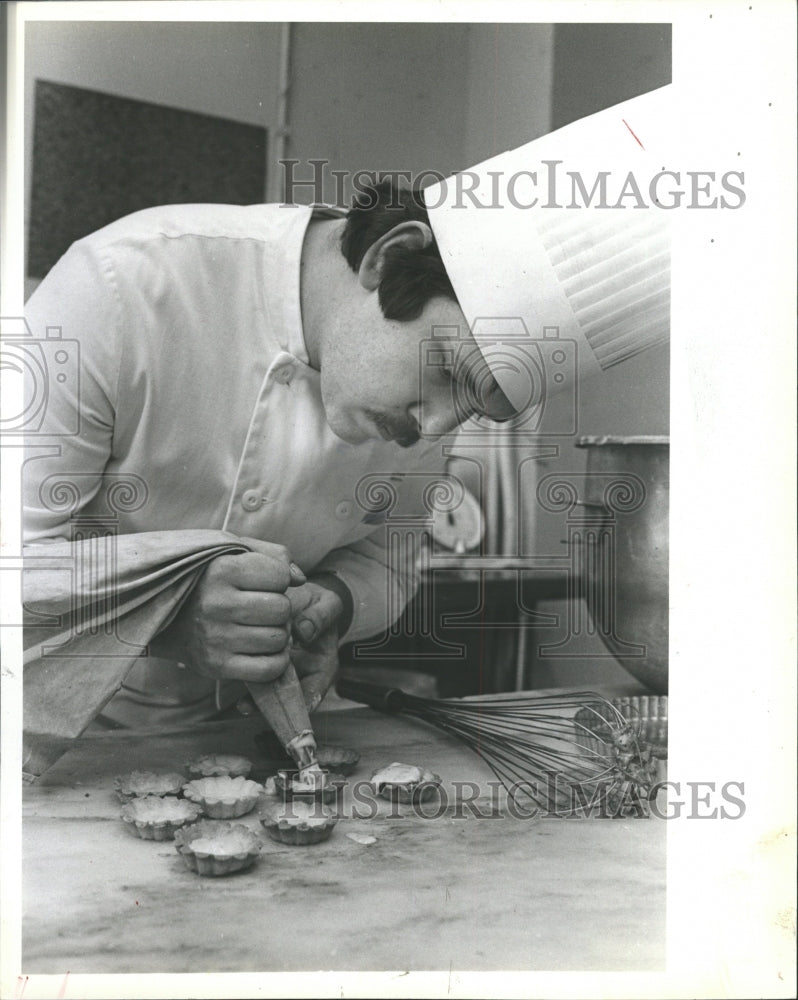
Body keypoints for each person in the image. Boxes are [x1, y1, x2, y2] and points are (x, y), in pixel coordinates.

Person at [22, 84, 671, 772]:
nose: (434, 431)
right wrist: (171, 617)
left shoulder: (424, 410)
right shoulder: (118, 292)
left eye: (476, 407)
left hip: (266, 743)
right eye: (450, 370)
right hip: (70, 746)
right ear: (389, 258)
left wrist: (332, 604)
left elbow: (389, 561)